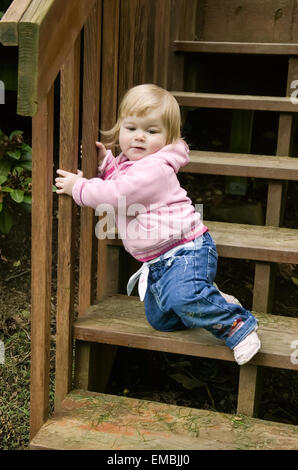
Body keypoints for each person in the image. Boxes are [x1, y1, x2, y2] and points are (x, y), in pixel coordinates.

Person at [55, 83, 261, 366]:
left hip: (185, 251)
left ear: (168, 138)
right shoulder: (135, 164)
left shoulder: (155, 169)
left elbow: (118, 195)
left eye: (151, 131)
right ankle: (208, 298)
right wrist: (106, 165)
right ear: (120, 129)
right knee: (160, 319)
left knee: (182, 297)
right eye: (131, 129)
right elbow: (124, 180)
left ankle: (236, 324)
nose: (139, 137)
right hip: (159, 261)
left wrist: (79, 186)